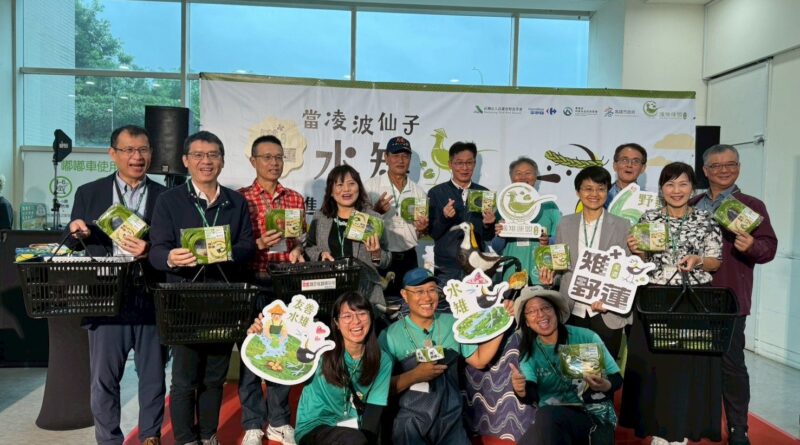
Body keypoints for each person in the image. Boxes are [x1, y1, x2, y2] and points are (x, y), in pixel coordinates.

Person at [149, 130, 255, 445]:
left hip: (224, 300)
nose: (205, 161)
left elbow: (248, 245)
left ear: (222, 161)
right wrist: (170, 257)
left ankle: (208, 435)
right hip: (184, 302)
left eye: (212, 155)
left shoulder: (235, 201)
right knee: (184, 379)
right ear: (186, 160)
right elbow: (156, 251)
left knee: (215, 377)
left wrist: (228, 251)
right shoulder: (169, 201)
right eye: (198, 155)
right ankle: (185, 439)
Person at [66, 125, 168, 445]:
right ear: (113, 154)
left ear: (151, 153)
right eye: (129, 150)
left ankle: (150, 436)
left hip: (150, 294)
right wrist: (77, 232)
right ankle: (109, 440)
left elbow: (173, 245)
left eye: (143, 150)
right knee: (104, 379)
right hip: (105, 296)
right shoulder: (89, 193)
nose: (137, 157)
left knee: (153, 376)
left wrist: (150, 249)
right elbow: (71, 242)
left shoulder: (166, 196)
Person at [620, 162, 723, 445]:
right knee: (657, 367)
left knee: (688, 368)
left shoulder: (706, 219)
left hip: (694, 301)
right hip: (655, 300)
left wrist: (698, 260)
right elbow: (642, 262)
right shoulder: (649, 218)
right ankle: (659, 430)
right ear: (661, 189)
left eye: (683, 184)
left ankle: (683, 430)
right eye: (669, 184)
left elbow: (715, 261)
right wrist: (637, 252)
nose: (676, 190)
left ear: (693, 187)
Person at [691, 144, 777, 445]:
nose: (723, 170)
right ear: (705, 171)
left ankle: (739, 428)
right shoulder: (692, 203)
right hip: (690, 296)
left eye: (730, 164)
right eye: (716, 166)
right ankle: (699, 421)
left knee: (731, 364)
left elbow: (769, 248)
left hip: (729, 298)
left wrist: (751, 245)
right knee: (695, 363)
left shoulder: (752, 205)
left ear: (738, 167)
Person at [379, 267, 511, 445]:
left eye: (432, 290)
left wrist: (502, 321)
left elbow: (479, 360)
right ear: (404, 295)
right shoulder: (390, 336)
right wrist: (414, 375)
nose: (427, 298)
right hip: (411, 425)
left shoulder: (453, 324)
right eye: (419, 291)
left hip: (451, 421)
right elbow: (379, 388)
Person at [247, 292, 393, 445]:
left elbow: (373, 413)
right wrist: (260, 336)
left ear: (371, 317)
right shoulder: (318, 351)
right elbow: (277, 360)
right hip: (314, 428)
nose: (356, 321)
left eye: (362, 314)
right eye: (347, 316)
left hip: (355, 432)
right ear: (336, 323)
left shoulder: (382, 360)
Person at [237, 135, 305, 445]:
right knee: (251, 353)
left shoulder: (295, 199)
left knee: (281, 351)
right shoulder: (241, 199)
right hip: (252, 281)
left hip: (284, 283)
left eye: (278, 157)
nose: (274, 163)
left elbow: (300, 238)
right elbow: (235, 245)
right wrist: (257, 243)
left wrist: (298, 249)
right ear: (253, 161)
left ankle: (279, 421)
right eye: (266, 157)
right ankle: (252, 423)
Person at [509, 287, 622, 445]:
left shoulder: (585, 337)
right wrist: (521, 391)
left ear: (556, 312)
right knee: (543, 424)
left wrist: (605, 385)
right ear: (526, 322)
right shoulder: (529, 351)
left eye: (546, 308)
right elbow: (531, 395)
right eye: (532, 311)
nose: (540, 314)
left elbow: (616, 378)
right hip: (551, 421)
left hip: (591, 415)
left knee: (546, 418)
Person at [539, 166, 631, 358]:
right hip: (572, 309)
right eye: (588, 189)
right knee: (574, 368)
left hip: (605, 312)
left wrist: (610, 299)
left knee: (604, 368)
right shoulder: (565, 223)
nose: (594, 194)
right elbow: (561, 269)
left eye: (600, 189)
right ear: (578, 192)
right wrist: (550, 279)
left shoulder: (622, 225)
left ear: (607, 191)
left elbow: (626, 271)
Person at [305, 164, 390, 307]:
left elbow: (387, 259)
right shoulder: (320, 217)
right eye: (339, 185)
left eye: (351, 183)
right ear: (331, 191)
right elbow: (308, 247)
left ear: (359, 188)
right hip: (328, 293)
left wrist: (376, 254)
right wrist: (320, 255)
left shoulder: (373, 218)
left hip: (366, 293)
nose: (346, 189)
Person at [364, 136, 428, 306]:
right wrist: (376, 211)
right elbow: (359, 225)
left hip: (409, 257)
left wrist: (422, 229)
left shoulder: (418, 191)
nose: (400, 160)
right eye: (395, 155)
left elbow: (421, 234)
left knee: (411, 306)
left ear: (410, 160)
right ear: (386, 157)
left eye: (405, 156)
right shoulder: (371, 187)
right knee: (379, 306)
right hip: (380, 256)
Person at [428, 142, 496, 298]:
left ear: (474, 164)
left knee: (475, 309)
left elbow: (488, 237)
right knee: (444, 309)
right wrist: (445, 218)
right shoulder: (437, 193)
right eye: (459, 163)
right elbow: (433, 233)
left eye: (469, 163)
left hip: (476, 267)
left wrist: (489, 225)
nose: (464, 168)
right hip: (446, 268)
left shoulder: (484, 193)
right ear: (450, 164)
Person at [491, 157, 561, 286]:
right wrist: (501, 236)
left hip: (542, 277)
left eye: (528, 173)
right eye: (518, 173)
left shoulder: (549, 206)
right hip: (511, 275)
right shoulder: (503, 207)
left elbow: (560, 240)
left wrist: (547, 242)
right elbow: (496, 248)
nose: (523, 177)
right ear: (511, 178)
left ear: (535, 177)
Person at [605, 143, 647, 207]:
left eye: (636, 161)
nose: (629, 165)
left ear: (643, 168)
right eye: (624, 160)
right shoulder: (601, 195)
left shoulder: (648, 199)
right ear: (615, 165)